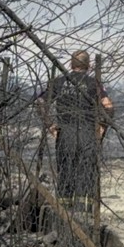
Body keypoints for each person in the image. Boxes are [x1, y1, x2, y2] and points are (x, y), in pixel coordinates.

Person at [37, 50, 114, 214]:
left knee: (66, 171)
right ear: (89, 65)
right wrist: (102, 127)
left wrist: (50, 125)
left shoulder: (58, 82)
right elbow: (108, 106)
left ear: (71, 64)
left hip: (65, 134)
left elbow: (41, 102)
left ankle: (64, 214)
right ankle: (84, 214)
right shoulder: (94, 83)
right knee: (86, 172)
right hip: (87, 133)